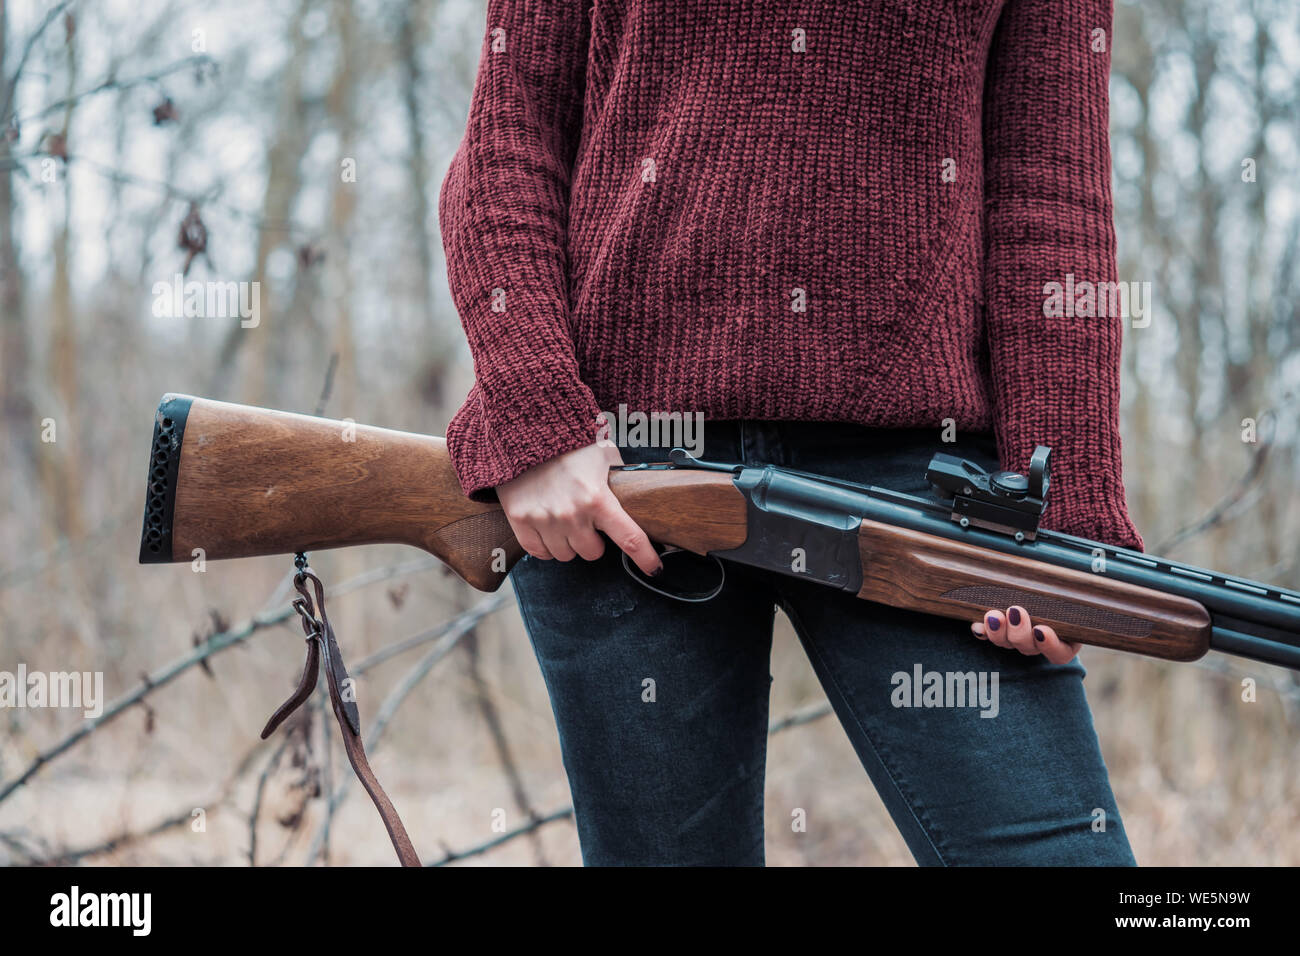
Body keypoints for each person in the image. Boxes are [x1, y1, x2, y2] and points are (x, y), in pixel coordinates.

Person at [439, 0, 1141, 865]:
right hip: (622, 480)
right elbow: (510, 136)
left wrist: (1069, 525)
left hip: (924, 490)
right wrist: (539, 418)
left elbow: (1052, 195)